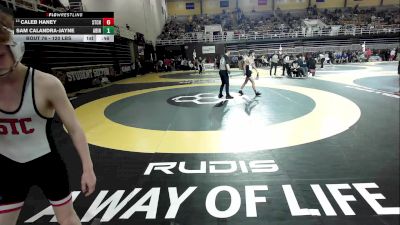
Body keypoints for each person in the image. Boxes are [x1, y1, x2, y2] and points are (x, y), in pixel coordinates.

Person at [0, 11, 96, 225]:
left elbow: (75, 128)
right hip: (7, 167)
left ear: (16, 48)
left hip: (46, 164)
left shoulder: (46, 84)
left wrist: (88, 169)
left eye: (0, 57)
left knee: (68, 219)